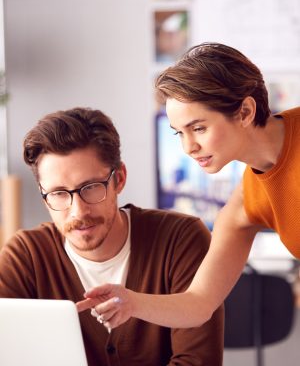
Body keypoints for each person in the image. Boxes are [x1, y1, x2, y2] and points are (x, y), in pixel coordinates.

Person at [76, 42, 300, 330]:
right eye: (179, 133)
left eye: (198, 128)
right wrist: (131, 302)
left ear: (245, 111)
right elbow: (199, 303)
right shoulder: (247, 203)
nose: (189, 147)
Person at [0, 107, 224, 366]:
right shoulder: (25, 255)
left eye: (91, 188)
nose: (79, 211)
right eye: (59, 193)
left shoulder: (180, 239)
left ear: (119, 179)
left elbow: (198, 361)